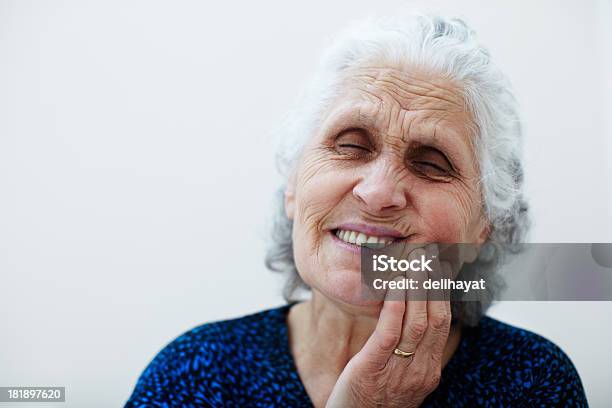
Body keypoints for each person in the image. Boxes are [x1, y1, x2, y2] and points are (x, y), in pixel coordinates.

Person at [126, 13, 587, 407]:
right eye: (349, 146)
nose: (378, 191)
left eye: (431, 164)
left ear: (483, 227)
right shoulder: (194, 374)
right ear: (293, 187)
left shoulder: (533, 382)